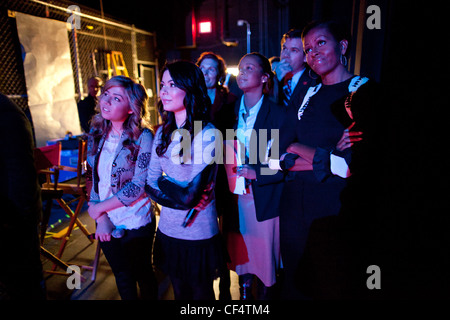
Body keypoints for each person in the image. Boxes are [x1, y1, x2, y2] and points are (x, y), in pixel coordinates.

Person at [274, 20, 381, 299]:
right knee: (295, 284)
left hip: (335, 210)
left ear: (342, 46)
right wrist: (329, 154)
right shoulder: (306, 93)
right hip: (294, 207)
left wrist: (298, 147)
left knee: (332, 283)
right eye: (308, 49)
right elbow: (277, 153)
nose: (314, 53)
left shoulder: (363, 91)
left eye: (321, 43)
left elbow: (352, 166)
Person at [145, 60, 223, 300]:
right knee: (179, 294)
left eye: (172, 84)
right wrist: (174, 189)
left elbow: (190, 198)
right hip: (168, 230)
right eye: (162, 84)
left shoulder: (208, 134)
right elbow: (149, 181)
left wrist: (165, 182)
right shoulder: (162, 132)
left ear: (189, 89)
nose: (164, 91)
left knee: (201, 296)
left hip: (197, 233)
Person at [86, 75, 157, 300]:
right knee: (123, 278)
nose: (106, 101)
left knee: (143, 275)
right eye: (106, 94)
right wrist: (101, 218)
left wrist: (98, 209)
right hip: (107, 220)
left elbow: (138, 185)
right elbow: (92, 177)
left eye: (116, 98)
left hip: (136, 219)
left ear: (130, 108)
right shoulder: (96, 133)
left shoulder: (143, 136)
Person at [225, 53, 286, 300]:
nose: (242, 72)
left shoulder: (278, 114)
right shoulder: (227, 112)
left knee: (265, 261)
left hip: (263, 198)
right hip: (234, 197)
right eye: (240, 68)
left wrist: (257, 172)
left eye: (249, 68)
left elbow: (284, 160)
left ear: (264, 77)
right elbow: (220, 153)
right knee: (241, 260)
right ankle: (244, 296)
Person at [196, 51, 238, 300]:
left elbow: (235, 138)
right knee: (204, 228)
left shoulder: (231, 99)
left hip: (223, 171)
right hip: (200, 171)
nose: (207, 73)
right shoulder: (192, 100)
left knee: (223, 229)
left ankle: (224, 283)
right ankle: (205, 279)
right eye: (203, 68)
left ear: (219, 74)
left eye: (212, 69)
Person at [0, 93, 46, 300]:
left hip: (12, 224)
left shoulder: (6, 114)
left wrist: (19, 224)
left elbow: (21, 176)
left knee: (23, 287)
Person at [272, 29, 316, 108]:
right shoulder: (273, 79)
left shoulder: (314, 81)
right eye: (284, 48)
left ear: (305, 57)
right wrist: (276, 81)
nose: (286, 55)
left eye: (294, 50)